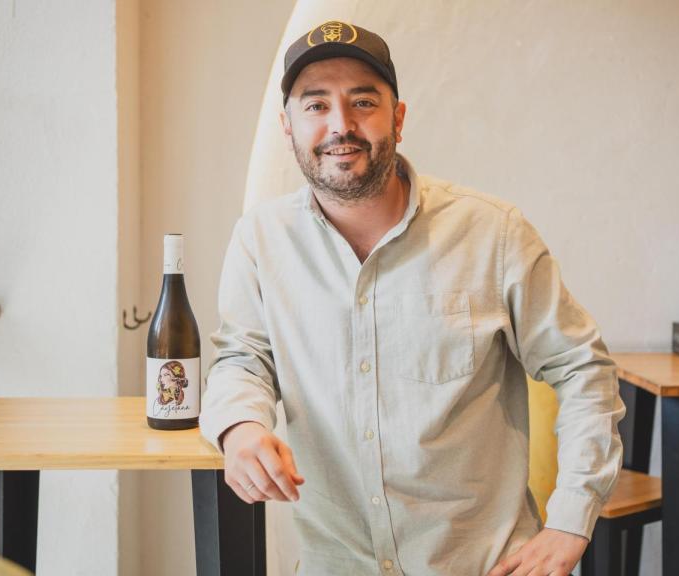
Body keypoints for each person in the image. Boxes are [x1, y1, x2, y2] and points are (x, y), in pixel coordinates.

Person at [201, 20, 625, 576]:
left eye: (363, 102)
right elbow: (242, 358)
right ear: (288, 126)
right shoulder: (260, 241)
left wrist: (571, 520)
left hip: (481, 565)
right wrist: (240, 426)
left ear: (397, 118)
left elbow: (582, 367)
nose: (341, 125)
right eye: (316, 105)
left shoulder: (493, 233)